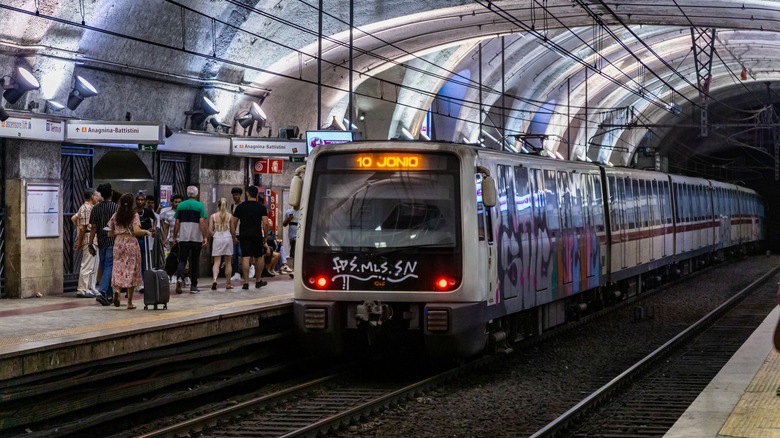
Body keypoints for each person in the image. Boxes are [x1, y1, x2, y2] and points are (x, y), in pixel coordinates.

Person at [107, 193, 151, 309]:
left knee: (118, 267)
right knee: (132, 269)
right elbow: (136, 231)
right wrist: (145, 231)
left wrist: (119, 233)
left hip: (118, 242)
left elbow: (109, 232)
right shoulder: (134, 215)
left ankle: (117, 291)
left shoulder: (116, 215)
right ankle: (129, 302)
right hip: (131, 243)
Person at [230, 186, 268, 290]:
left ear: (247, 194)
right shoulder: (261, 207)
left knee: (245, 257)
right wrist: (265, 237)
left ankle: (246, 283)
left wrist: (233, 236)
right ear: (256, 194)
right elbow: (265, 223)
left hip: (244, 235)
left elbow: (233, 223)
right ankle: (258, 280)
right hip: (257, 235)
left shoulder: (240, 207)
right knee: (258, 257)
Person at [173, 186, 208, 294]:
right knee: (195, 261)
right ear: (196, 194)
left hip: (183, 237)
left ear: (187, 194)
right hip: (196, 238)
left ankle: (179, 277)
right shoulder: (200, 206)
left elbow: (177, 223)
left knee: (182, 259)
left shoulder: (180, 206)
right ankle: (193, 286)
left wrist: (175, 236)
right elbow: (202, 223)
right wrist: (205, 236)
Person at [89, 183, 118, 306]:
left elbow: (93, 228)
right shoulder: (116, 208)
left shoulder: (95, 208)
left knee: (104, 265)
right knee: (109, 267)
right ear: (111, 193)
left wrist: (90, 243)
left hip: (101, 241)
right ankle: (102, 291)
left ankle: (109, 296)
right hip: (113, 240)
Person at [75, 188, 100, 297]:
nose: (97, 198)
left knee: (91, 265)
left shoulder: (91, 208)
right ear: (91, 197)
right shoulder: (85, 208)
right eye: (96, 196)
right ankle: (82, 289)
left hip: (92, 237)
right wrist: (79, 241)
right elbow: (83, 228)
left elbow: (74, 218)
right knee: (87, 264)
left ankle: (88, 287)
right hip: (88, 236)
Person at [209, 197, 234, 290]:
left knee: (216, 262)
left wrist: (215, 235)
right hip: (227, 237)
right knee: (228, 262)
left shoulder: (213, 216)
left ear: (218, 205)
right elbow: (232, 230)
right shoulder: (230, 216)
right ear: (226, 206)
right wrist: (234, 238)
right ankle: (228, 283)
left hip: (217, 238)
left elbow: (210, 230)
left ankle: (215, 279)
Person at [134, 192, 157, 288]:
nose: (140, 202)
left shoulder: (148, 211)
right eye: (138, 200)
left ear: (144, 201)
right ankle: (138, 281)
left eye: (142, 200)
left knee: (145, 260)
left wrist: (154, 228)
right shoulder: (133, 211)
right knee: (136, 260)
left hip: (146, 238)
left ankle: (146, 280)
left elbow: (155, 219)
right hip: (135, 238)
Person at [160, 194, 183, 284]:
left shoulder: (184, 213)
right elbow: (166, 227)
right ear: (172, 202)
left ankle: (180, 276)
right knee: (172, 258)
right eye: (175, 202)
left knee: (182, 259)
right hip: (172, 240)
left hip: (183, 239)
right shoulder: (168, 213)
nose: (177, 204)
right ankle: (171, 275)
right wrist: (164, 238)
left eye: (179, 202)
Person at [229, 187, 243, 283]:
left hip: (242, 233)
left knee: (241, 252)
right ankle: (236, 273)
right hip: (234, 233)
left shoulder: (243, 206)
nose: (235, 197)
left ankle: (250, 266)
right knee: (234, 254)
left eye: (237, 195)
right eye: (234, 195)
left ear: (240, 195)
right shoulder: (232, 206)